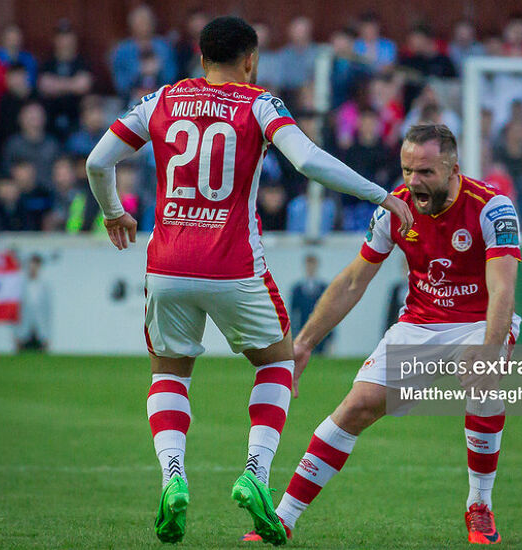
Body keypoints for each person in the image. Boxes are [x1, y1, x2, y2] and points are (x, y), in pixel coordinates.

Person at [84, 16, 412, 545]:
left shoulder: (160, 100)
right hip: (233, 263)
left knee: (170, 373)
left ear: (199, 55)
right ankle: (255, 473)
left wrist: (113, 211)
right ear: (251, 59)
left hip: (166, 265)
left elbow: (98, 160)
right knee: (278, 362)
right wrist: (382, 195)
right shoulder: (259, 103)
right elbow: (307, 161)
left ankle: (173, 478)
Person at [242, 124, 521, 545]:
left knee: (480, 379)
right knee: (356, 407)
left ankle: (479, 506)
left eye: (426, 171)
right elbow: (354, 281)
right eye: (408, 169)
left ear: (452, 168)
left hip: (479, 320)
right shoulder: (395, 209)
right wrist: (303, 343)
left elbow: (503, 289)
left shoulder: (492, 209)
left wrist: (488, 350)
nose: (413, 181)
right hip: (420, 323)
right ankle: (281, 519)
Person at [290, 255, 330, 353]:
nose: (310, 268)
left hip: (320, 334)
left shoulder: (324, 288)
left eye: (312, 265)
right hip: (302, 332)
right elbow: (293, 314)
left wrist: (330, 337)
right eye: (308, 265)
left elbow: (330, 313)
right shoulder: (297, 289)